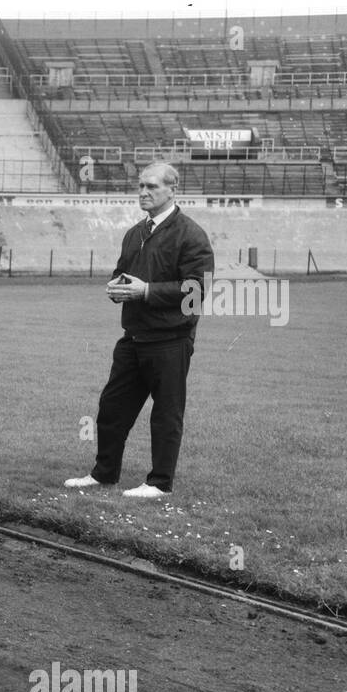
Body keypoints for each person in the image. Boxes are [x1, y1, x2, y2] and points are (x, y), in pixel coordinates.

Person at [64, 162, 214, 499]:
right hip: (133, 338)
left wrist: (147, 291)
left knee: (166, 414)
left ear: (172, 190)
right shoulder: (135, 233)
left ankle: (159, 483)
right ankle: (104, 474)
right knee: (112, 408)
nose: (143, 192)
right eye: (141, 186)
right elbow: (123, 272)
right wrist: (117, 287)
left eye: (152, 186)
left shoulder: (191, 235)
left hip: (171, 341)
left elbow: (197, 291)